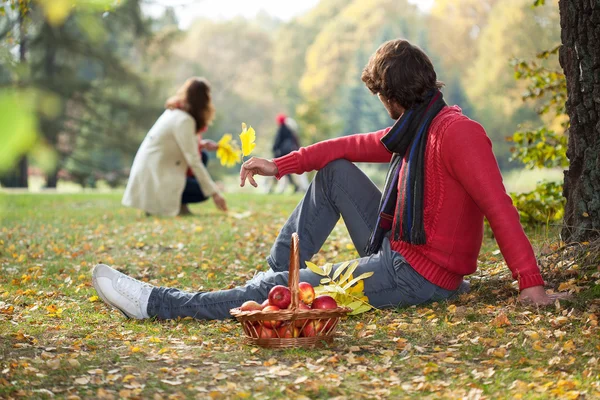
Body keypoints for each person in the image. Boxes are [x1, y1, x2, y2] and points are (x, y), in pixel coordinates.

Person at [93, 39, 566, 321]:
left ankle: (159, 303)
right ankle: (270, 275)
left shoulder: (456, 134)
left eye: (381, 96)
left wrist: (531, 285)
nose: (383, 106)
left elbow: (499, 207)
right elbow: (344, 148)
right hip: (399, 253)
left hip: (417, 276)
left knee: (295, 292)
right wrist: (280, 165)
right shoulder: (417, 128)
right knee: (335, 172)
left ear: (393, 97)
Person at [122, 77, 228, 217]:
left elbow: (175, 144)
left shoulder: (175, 112)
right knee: (202, 191)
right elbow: (193, 160)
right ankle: (170, 204)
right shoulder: (184, 120)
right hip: (158, 175)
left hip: (156, 170)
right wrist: (215, 193)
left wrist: (201, 145)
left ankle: (179, 204)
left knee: (203, 156)